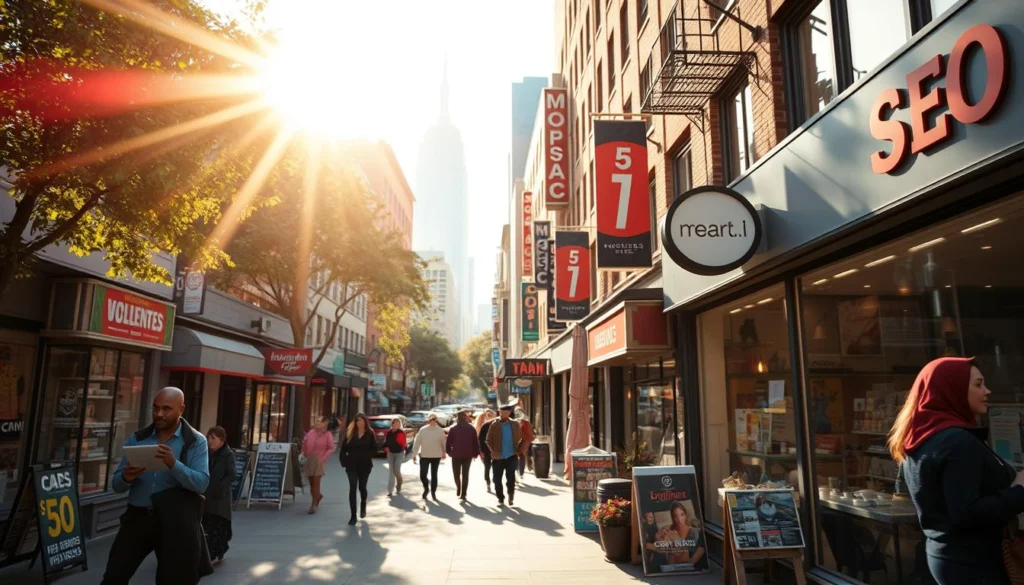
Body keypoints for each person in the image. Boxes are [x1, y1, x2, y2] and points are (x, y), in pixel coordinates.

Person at [889, 357, 1024, 585]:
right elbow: (967, 512)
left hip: (946, 556)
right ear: (953, 389)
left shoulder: (923, 437)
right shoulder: (957, 442)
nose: (987, 391)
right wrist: (1020, 490)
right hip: (975, 563)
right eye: (978, 384)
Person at [101, 387, 211, 585]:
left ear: (181, 409)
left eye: (166, 409)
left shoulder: (195, 441)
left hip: (174, 521)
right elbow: (117, 486)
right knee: (113, 577)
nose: (159, 414)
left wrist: (173, 464)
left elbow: (201, 483)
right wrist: (126, 477)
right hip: (137, 518)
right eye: (156, 408)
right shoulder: (138, 438)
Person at [202, 426, 235, 564]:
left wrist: (220, 488)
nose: (210, 441)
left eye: (213, 438)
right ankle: (208, 553)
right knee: (207, 525)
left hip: (220, 498)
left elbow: (231, 474)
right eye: (208, 437)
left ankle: (217, 551)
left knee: (218, 524)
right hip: (206, 495)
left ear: (221, 440)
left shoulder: (228, 455)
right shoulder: (205, 453)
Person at [340, 413, 376, 525]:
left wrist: (366, 455)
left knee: (362, 487)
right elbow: (343, 449)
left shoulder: (370, 433)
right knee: (353, 488)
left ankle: (363, 503)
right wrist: (344, 462)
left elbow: (374, 449)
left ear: (365, 422)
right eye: (357, 421)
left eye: (361, 420)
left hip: (365, 466)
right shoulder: (350, 433)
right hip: (351, 465)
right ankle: (353, 516)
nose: (359, 423)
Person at [486, 404, 524, 507]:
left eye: (504, 412)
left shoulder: (515, 424)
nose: (501, 414)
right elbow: (488, 440)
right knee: (496, 479)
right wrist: (493, 451)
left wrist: (519, 450)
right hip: (498, 457)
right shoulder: (495, 424)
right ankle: (500, 499)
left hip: (511, 456)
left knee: (510, 479)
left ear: (509, 412)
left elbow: (520, 437)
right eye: (500, 412)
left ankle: (511, 495)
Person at [655, 501, 705, 567]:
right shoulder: (668, 531)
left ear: (685, 515)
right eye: (675, 516)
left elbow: (699, 551)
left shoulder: (695, 532)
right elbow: (668, 559)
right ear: (672, 518)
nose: (679, 519)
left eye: (682, 515)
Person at [301, 415, 335, 514]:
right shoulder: (311, 432)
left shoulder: (327, 434)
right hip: (309, 460)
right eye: (316, 421)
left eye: (319, 421)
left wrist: (324, 458)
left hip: (319, 460)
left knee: (316, 482)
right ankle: (318, 496)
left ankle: (314, 504)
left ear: (325, 424)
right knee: (311, 483)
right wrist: (303, 452)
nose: (317, 423)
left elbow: (331, 448)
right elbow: (304, 444)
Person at [446, 410, 480, 502]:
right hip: (463, 455)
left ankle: (461, 491)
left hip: (460, 455)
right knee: (463, 474)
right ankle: (462, 491)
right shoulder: (456, 429)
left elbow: (475, 441)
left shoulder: (466, 428)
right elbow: (475, 442)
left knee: (459, 474)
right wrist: (476, 453)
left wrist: (449, 452)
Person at [411, 413, 447, 501]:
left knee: (434, 475)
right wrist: (414, 454)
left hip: (436, 455)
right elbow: (417, 442)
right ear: (428, 420)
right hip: (424, 455)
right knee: (423, 474)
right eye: (431, 419)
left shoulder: (440, 430)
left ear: (436, 420)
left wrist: (444, 452)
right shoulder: (423, 430)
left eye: (434, 419)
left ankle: (433, 492)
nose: (432, 421)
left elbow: (443, 442)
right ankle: (426, 488)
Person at [384, 418, 407, 496]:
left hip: (399, 453)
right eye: (394, 423)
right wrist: (386, 447)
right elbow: (386, 442)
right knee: (391, 471)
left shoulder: (401, 432)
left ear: (399, 424)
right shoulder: (389, 432)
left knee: (396, 470)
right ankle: (390, 490)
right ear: (392, 424)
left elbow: (404, 444)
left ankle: (399, 485)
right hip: (390, 453)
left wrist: (402, 448)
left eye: (398, 423)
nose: (396, 424)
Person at [476, 409, 496, 493]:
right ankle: (488, 483)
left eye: (491, 415)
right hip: (485, 451)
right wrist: (481, 451)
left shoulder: (497, 425)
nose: (490, 416)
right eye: (488, 415)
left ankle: (494, 481)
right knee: (487, 467)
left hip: (495, 451)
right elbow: (480, 439)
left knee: (495, 468)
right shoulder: (484, 426)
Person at [516, 411, 536, 481]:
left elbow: (529, 435)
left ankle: (520, 473)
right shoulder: (522, 422)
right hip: (520, 441)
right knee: (520, 456)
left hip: (523, 441)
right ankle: (519, 473)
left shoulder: (525, 423)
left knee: (521, 456)